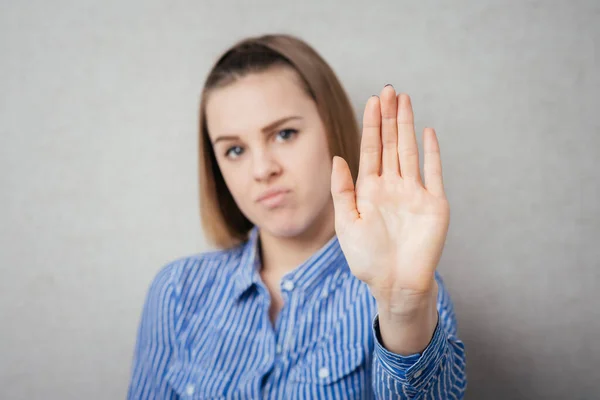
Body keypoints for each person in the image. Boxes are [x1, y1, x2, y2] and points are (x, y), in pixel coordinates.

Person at [127, 34, 467, 399]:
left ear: (331, 128)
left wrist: (403, 311)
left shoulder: (403, 291)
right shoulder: (178, 291)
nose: (262, 169)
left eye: (284, 134)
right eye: (235, 150)